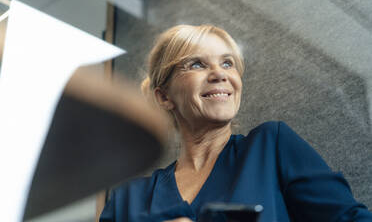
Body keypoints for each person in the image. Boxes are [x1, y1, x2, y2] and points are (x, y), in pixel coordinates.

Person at [100, 24, 372, 222]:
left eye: (228, 63)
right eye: (196, 64)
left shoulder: (272, 146)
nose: (220, 73)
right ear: (164, 96)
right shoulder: (128, 201)